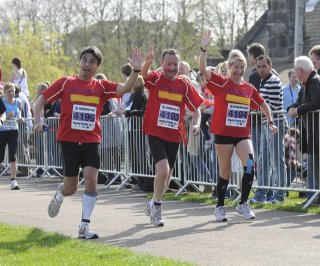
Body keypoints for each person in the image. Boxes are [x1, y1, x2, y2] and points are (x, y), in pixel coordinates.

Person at [33, 46, 144, 239]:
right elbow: (39, 101)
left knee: (92, 178)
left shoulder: (101, 86)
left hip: (91, 140)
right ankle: (60, 194)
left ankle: (84, 226)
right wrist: (37, 121)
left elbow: (125, 88)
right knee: (71, 188)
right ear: (80, 62)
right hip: (68, 139)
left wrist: (135, 70)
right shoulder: (65, 83)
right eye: (84, 60)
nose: (87, 64)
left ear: (97, 66)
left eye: (92, 62)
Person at [199, 30, 277, 222]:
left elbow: (263, 104)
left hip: (242, 134)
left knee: (250, 165)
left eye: (242, 67)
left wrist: (271, 121)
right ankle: (219, 207)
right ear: (228, 67)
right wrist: (204, 49)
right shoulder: (221, 84)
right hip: (223, 134)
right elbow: (202, 70)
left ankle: (243, 203)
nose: (239, 71)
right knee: (224, 172)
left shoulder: (249, 88)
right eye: (235, 67)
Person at [141, 47, 203, 227]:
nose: (172, 67)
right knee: (163, 170)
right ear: (162, 64)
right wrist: (146, 62)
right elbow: (143, 75)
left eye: (175, 64)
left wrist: (197, 123)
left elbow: (196, 108)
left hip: (174, 135)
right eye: (168, 64)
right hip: (154, 132)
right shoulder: (156, 79)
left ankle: (153, 203)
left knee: (166, 179)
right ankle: (158, 209)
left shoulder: (184, 84)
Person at [288, 56, 320, 205]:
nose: (295, 73)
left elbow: (318, 103)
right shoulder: (306, 83)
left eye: (296, 71)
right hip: (312, 132)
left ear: (300, 70)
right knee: (314, 166)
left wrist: (298, 110)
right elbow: (301, 102)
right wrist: (292, 107)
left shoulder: (317, 81)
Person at [251, 55, 287, 204]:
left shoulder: (272, 81)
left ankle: (279, 196)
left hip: (275, 123)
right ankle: (261, 195)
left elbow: (271, 107)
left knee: (277, 161)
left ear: (270, 66)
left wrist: (255, 109)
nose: (261, 69)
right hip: (267, 124)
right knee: (264, 160)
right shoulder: (264, 81)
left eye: (264, 66)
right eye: (258, 66)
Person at [0, 82, 23, 190]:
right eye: (8, 91)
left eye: (12, 91)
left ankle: (13, 181)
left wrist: (21, 118)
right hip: (2, 131)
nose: (11, 93)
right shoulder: (2, 102)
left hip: (14, 131)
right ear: (4, 92)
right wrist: (6, 117)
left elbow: (19, 115)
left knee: (12, 156)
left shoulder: (18, 102)